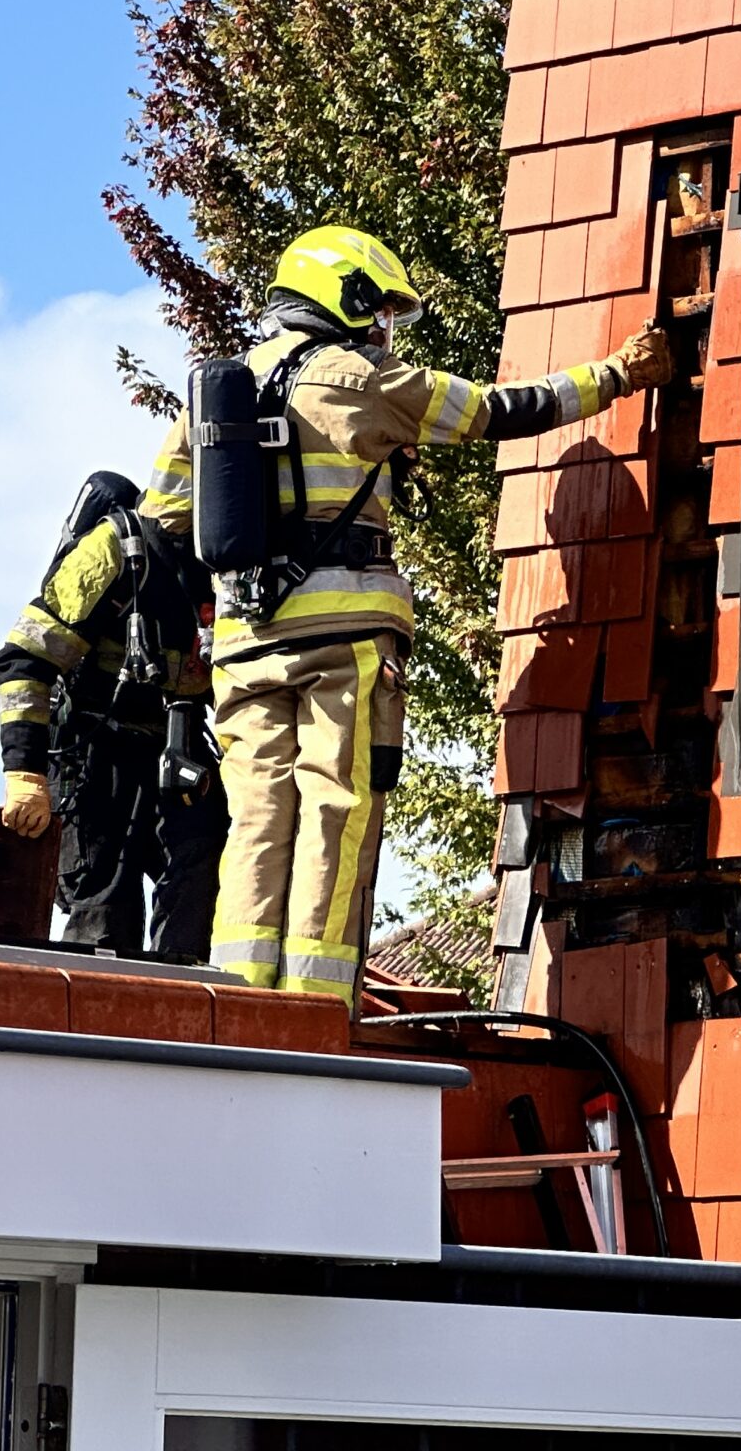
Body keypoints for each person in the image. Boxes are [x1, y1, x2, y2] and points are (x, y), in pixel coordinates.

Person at [136, 225, 670, 1005]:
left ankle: (243, 996)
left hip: (244, 651)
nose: (384, 327)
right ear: (345, 295)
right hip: (341, 643)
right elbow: (499, 410)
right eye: (379, 309)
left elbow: (163, 522)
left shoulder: (218, 394)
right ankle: (318, 1006)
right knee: (334, 812)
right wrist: (615, 376)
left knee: (254, 820)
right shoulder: (364, 381)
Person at [0, 470, 225, 959]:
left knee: (207, 875)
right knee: (104, 915)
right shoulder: (116, 548)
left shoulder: (232, 565)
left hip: (178, 754)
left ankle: (188, 1003)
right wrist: (25, 772)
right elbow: (25, 659)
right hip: (97, 760)